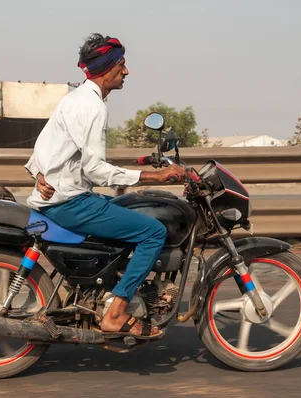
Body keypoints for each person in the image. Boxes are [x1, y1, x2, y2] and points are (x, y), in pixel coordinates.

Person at [24, 33, 185, 339]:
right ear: (106, 67)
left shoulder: (73, 99)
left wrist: (38, 173)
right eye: (121, 64)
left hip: (64, 196)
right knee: (153, 232)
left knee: (124, 208)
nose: (126, 71)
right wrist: (157, 177)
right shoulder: (94, 108)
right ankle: (116, 312)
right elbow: (96, 170)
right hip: (69, 203)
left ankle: (106, 289)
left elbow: (44, 145)